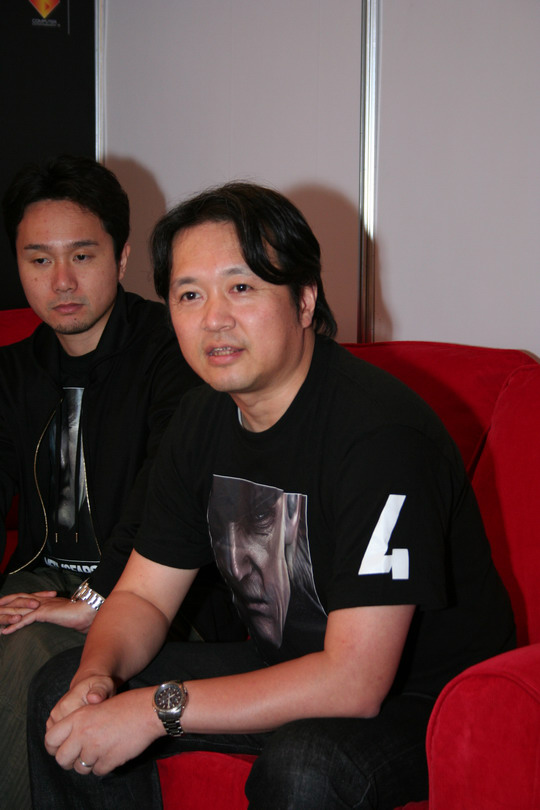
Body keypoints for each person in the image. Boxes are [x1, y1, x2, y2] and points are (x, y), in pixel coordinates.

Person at [27, 181, 515, 810]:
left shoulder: (379, 436)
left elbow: (355, 681)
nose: (214, 319)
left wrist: (155, 709)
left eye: (241, 288)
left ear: (305, 300)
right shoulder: (201, 421)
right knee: (60, 690)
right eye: (190, 295)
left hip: (423, 700)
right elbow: (144, 596)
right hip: (286, 665)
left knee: (305, 765)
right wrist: (98, 678)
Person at [0, 157, 239, 809]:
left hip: (158, 600)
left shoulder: (173, 351)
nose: (62, 281)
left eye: (82, 255)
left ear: (122, 254)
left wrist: (95, 594)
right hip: (40, 579)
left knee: (29, 651)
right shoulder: (13, 373)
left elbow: (167, 489)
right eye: (39, 260)